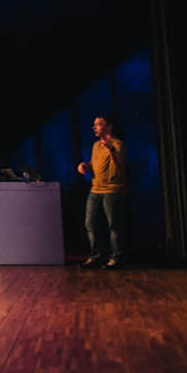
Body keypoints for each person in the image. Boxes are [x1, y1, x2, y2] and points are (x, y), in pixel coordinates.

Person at [78, 115, 128, 268]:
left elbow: (121, 164)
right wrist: (85, 166)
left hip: (112, 190)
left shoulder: (118, 144)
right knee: (90, 223)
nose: (95, 127)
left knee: (114, 226)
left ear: (109, 126)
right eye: (95, 124)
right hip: (95, 190)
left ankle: (117, 258)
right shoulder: (96, 146)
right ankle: (96, 257)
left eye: (99, 124)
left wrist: (110, 148)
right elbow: (94, 165)